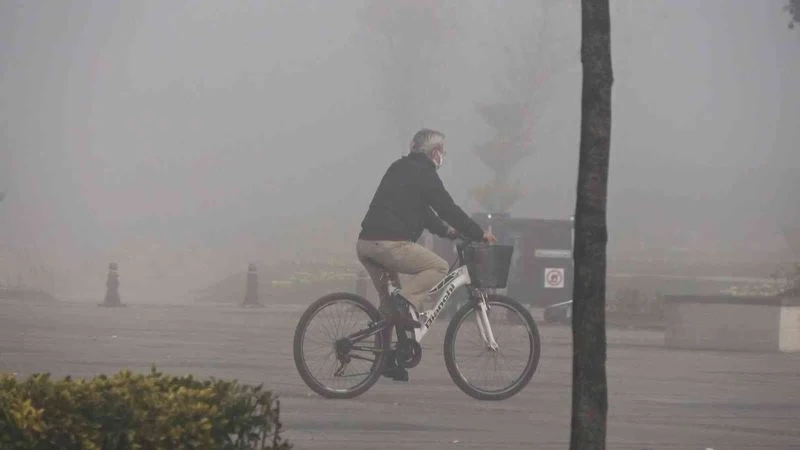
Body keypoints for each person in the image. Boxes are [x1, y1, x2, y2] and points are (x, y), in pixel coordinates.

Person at [356, 128, 496, 331]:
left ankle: (387, 359)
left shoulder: (399, 167)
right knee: (438, 267)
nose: (443, 156)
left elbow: (421, 210)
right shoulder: (425, 173)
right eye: (442, 151)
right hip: (389, 245)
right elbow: (447, 208)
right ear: (434, 152)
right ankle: (403, 302)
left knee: (390, 313)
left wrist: (447, 231)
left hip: (366, 245)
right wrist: (479, 233)